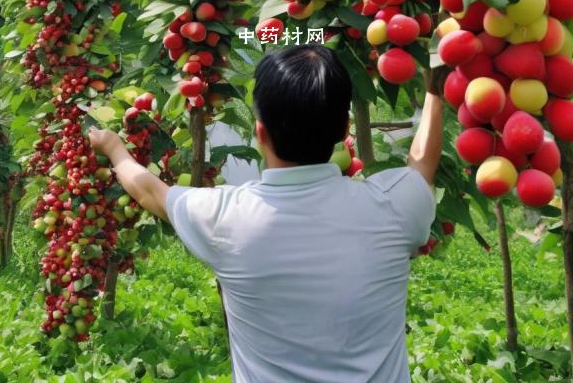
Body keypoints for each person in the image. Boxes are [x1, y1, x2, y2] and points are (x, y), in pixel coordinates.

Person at [89, 44, 443, 382]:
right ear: (344, 131)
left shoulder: (225, 218)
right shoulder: (393, 206)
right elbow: (422, 161)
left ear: (260, 133)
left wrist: (115, 149)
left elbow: (150, 192)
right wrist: (435, 89)